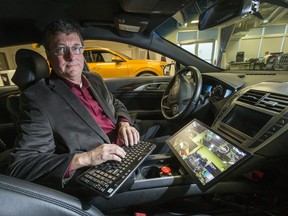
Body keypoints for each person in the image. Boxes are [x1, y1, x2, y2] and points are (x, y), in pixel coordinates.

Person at [7, 20, 171, 192]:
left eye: (76, 48)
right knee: (172, 145)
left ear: (82, 51)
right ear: (49, 56)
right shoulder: (38, 97)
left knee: (172, 128)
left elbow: (115, 103)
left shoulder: (94, 79)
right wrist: (86, 158)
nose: (71, 57)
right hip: (106, 166)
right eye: (61, 49)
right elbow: (21, 165)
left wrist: (123, 123)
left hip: (126, 140)